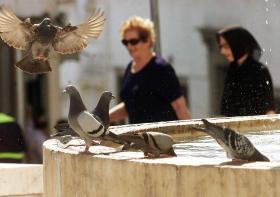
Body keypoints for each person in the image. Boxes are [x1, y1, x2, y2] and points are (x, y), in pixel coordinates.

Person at [109, 16, 191, 124]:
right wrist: (103, 117)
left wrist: (189, 136)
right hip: (138, 138)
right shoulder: (129, 68)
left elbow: (180, 108)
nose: (129, 46)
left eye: (133, 41)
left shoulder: (161, 69)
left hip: (162, 138)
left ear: (148, 40)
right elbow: (130, 105)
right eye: (125, 42)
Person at [217, 26, 275, 117]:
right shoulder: (231, 71)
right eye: (221, 46)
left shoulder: (260, 71)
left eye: (226, 46)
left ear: (238, 44)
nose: (222, 51)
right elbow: (226, 109)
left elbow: (269, 110)